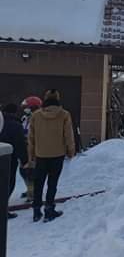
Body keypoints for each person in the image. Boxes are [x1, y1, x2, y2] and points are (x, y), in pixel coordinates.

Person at [28, 89, 75, 222]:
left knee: (39, 183)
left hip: (40, 154)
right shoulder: (64, 115)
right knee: (52, 183)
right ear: (58, 99)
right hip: (57, 154)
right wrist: (71, 151)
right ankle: (49, 209)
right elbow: (68, 135)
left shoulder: (36, 115)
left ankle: (36, 211)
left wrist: (30, 154)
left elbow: (31, 137)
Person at [0, 104, 28, 219]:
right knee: (7, 184)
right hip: (9, 160)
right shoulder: (16, 126)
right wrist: (24, 160)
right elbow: (20, 144)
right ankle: (2, 211)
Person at [20, 96, 43, 202]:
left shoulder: (38, 118)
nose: (25, 109)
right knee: (23, 170)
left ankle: (33, 192)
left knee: (31, 171)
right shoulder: (24, 118)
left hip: (34, 148)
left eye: (27, 107)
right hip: (24, 147)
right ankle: (29, 189)